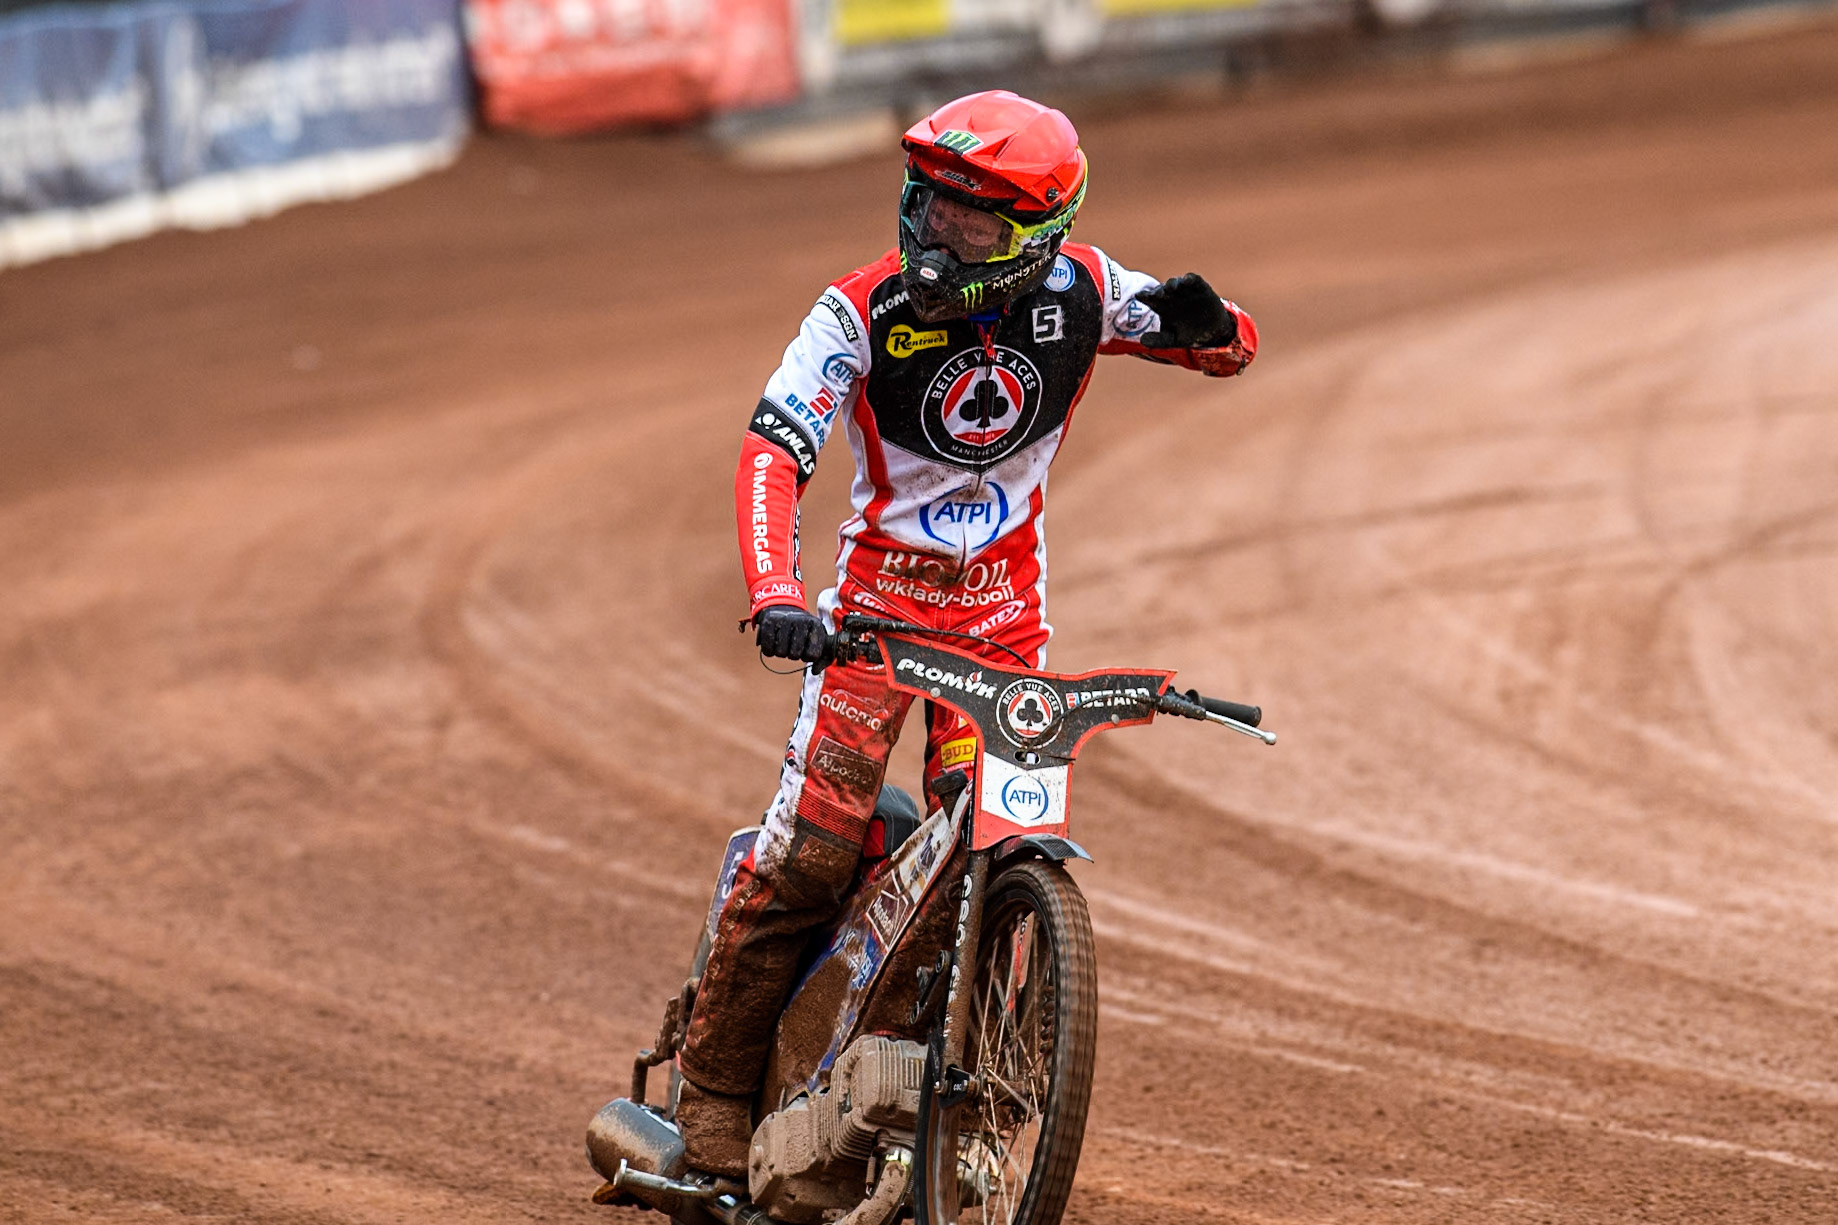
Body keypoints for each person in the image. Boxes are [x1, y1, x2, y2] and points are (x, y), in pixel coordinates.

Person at [674, 89, 1258, 1177]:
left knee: (973, 864)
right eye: (929, 204)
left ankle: (946, 1100)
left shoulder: (1085, 291)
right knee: (809, 852)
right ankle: (709, 1090)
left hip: (999, 625)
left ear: (1034, 236)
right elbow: (773, 448)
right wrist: (775, 593)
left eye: (970, 221)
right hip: (869, 625)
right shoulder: (854, 311)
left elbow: (1229, 350)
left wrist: (1205, 319)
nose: (937, 231)